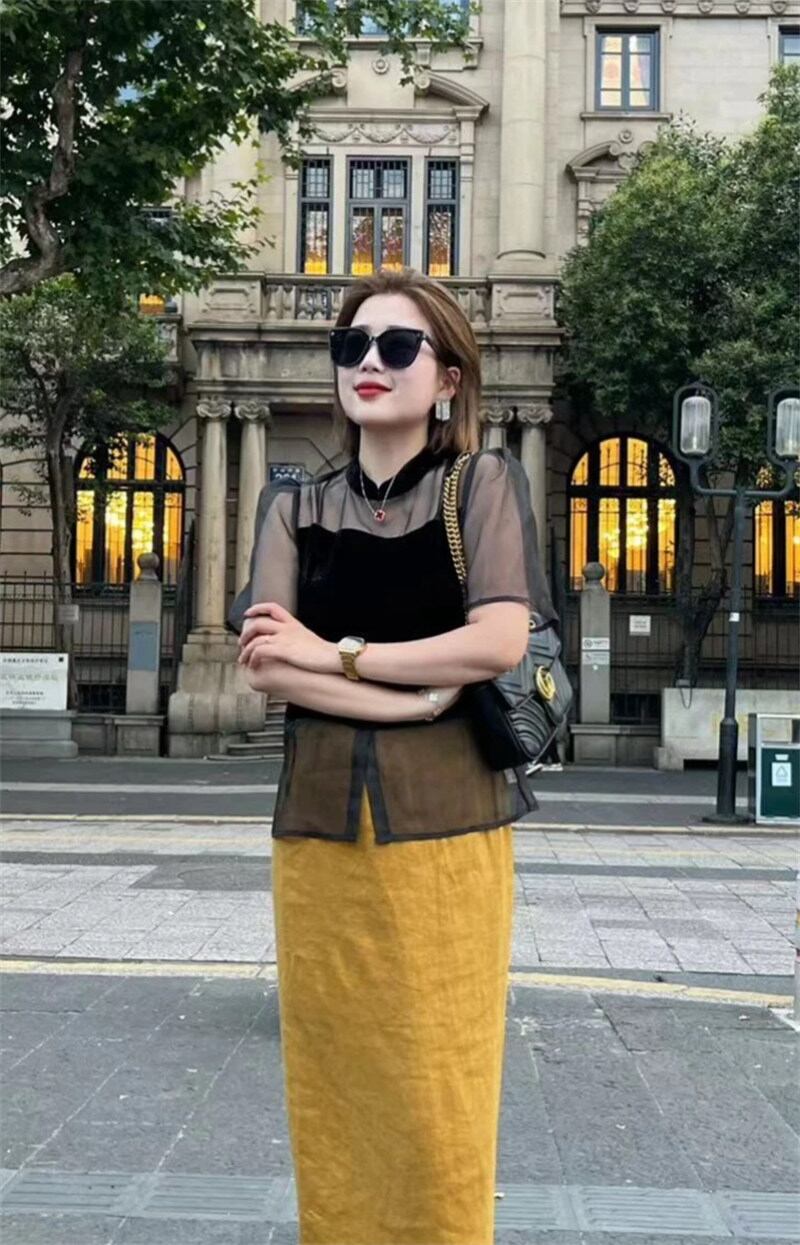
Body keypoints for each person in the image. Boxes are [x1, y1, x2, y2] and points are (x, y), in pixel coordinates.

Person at [232, 268, 545, 1245]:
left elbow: (497, 641)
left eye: (398, 345)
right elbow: (264, 667)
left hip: (448, 833)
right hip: (319, 833)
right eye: (352, 345)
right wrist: (411, 698)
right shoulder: (294, 508)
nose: (369, 362)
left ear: (447, 377)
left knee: (437, 1089)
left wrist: (334, 654)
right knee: (334, 1085)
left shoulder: (480, 485)